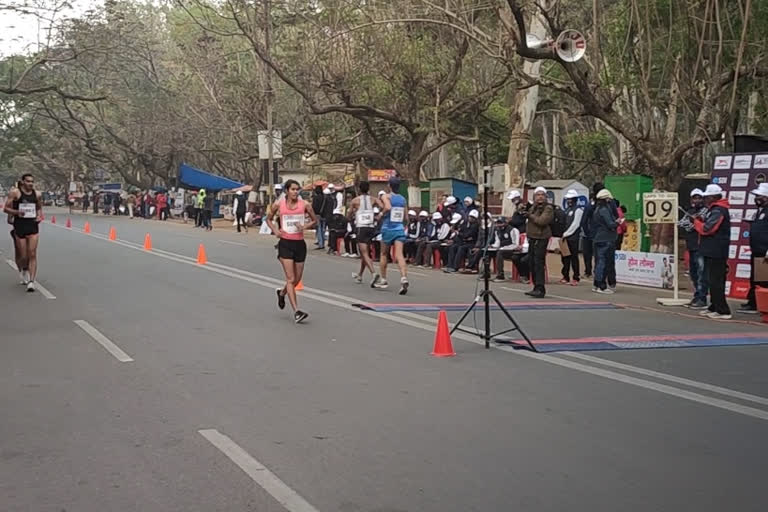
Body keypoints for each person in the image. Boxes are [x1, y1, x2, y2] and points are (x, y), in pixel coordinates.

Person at [266, 179, 317, 323]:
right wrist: (275, 230)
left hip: (299, 244)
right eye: (293, 189)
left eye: (297, 189)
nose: (295, 192)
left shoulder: (305, 204)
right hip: (285, 244)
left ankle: (282, 293)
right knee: (291, 279)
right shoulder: (279, 204)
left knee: (297, 279)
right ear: (286, 191)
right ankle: (297, 311)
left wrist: (305, 227)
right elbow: (268, 219)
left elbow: (315, 220)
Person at [693, 184, 731, 319]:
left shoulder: (719, 210)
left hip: (717, 250)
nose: (704, 199)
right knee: (711, 280)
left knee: (716, 280)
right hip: (711, 249)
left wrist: (696, 223)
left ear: (713, 197)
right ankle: (714, 306)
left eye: (706, 197)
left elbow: (708, 229)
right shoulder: (714, 209)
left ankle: (723, 310)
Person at [4, 173, 42, 292]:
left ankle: (31, 281)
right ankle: (24, 269)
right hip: (20, 226)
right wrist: (16, 213)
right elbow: (6, 208)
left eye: (32, 181)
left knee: (32, 253)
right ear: (23, 182)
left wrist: (39, 216)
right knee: (23, 255)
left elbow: (39, 207)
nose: (30, 184)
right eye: (28, 181)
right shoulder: (15, 193)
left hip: (32, 226)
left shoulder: (37, 194)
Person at [374, 177, 410, 294]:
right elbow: (406, 218)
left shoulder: (386, 196)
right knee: (399, 255)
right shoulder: (403, 199)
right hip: (399, 229)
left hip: (388, 228)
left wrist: (381, 214)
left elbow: (388, 207)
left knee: (384, 253)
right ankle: (403, 277)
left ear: (389, 186)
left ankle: (384, 279)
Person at [740, 183, 768, 314]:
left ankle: (759, 304)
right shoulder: (759, 211)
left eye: (759, 196)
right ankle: (753, 302)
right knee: (756, 278)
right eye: (756, 196)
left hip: (764, 251)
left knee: (762, 279)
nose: (757, 199)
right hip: (756, 250)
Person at [347, 181, 381, 285]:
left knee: (364, 253)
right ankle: (360, 275)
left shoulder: (355, 201)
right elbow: (383, 206)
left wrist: (351, 217)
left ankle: (373, 273)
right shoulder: (373, 199)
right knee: (364, 253)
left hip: (361, 227)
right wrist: (378, 215)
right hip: (371, 227)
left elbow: (349, 214)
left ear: (359, 189)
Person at [679, 189, 708, 309]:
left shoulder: (706, 211)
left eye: (699, 198)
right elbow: (681, 223)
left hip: (701, 246)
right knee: (693, 273)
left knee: (702, 274)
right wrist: (691, 223)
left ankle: (702, 298)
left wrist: (692, 223)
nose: (697, 200)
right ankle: (697, 296)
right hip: (691, 246)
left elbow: (698, 226)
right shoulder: (689, 211)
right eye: (694, 198)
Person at [525, 186, 554, 298]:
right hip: (532, 238)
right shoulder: (533, 207)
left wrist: (530, 216)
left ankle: (540, 288)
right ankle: (535, 286)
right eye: (538, 195)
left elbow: (542, 221)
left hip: (541, 238)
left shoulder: (548, 208)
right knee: (532, 263)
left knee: (538, 263)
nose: (540, 197)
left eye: (542, 194)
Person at [592, 188, 620, 294]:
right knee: (604, 263)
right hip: (606, 238)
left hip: (598, 238)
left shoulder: (597, 209)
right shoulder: (604, 210)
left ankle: (596, 284)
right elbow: (610, 224)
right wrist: (617, 222)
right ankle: (601, 285)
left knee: (599, 262)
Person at [560, 189, 583, 285]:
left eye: (571, 199)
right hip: (565, 238)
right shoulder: (567, 210)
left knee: (574, 258)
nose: (569, 201)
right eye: (568, 199)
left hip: (573, 238)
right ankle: (565, 276)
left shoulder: (578, 210)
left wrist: (566, 234)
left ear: (575, 199)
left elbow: (575, 225)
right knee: (565, 258)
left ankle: (576, 277)